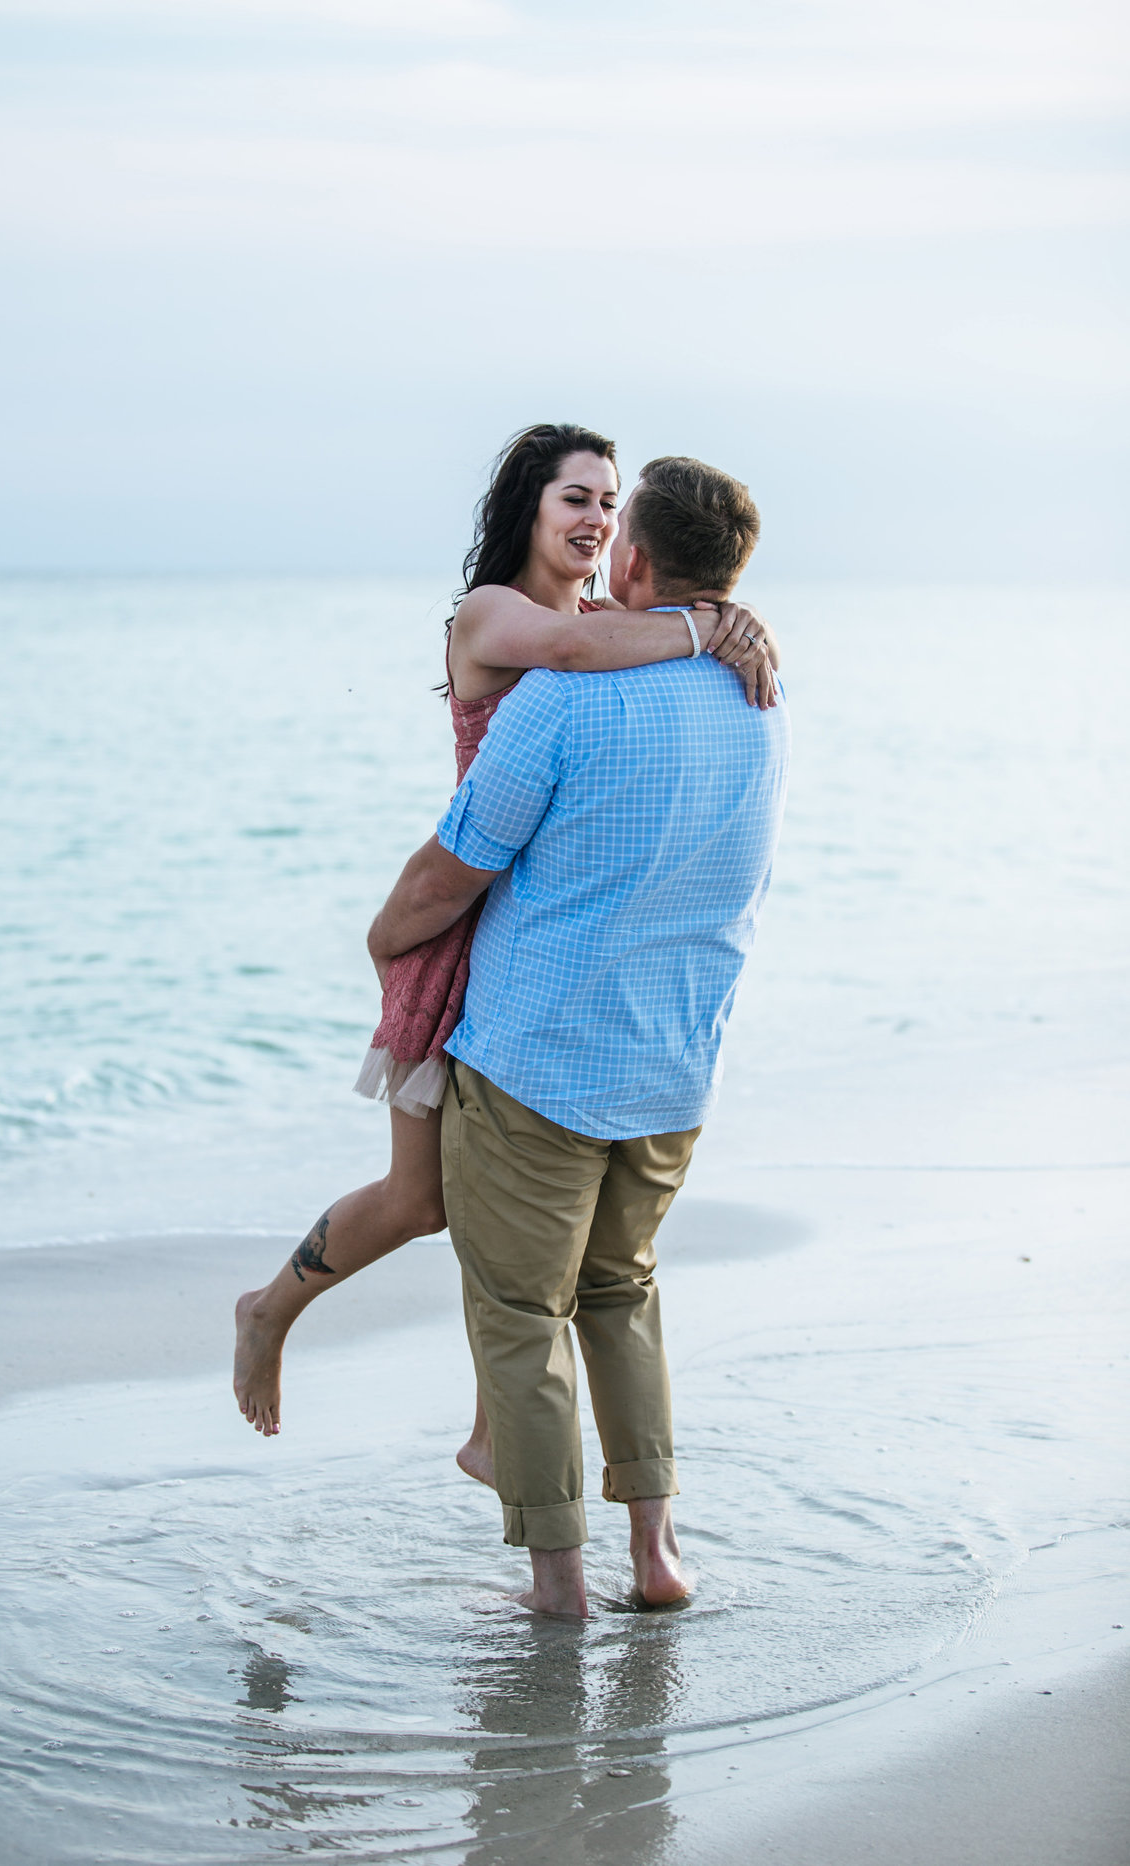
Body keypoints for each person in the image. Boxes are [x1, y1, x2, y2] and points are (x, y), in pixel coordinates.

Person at [231, 424, 780, 1441]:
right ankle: (268, 1309)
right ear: (528, 506)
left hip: (542, 934)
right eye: (575, 498)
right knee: (418, 1199)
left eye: (610, 504)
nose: (596, 520)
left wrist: (719, 620)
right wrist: (715, 627)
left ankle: (496, 1432)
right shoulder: (492, 615)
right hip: (458, 925)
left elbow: (628, 649)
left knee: (520, 1209)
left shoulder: (622, 617)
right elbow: (572, 654)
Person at [363, 455, 786, 1615]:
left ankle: (559, 1582)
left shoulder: (560, 693)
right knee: (623, 1293)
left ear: (635, 559)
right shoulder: (760, 692)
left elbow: (452, 871)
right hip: (671, 1065)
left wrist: (383, 940)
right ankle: (655, 1558)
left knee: (517, 1311)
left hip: (539, 1060)